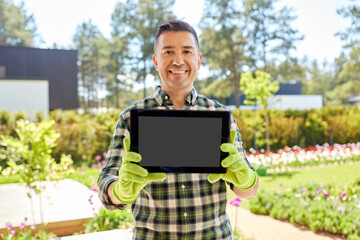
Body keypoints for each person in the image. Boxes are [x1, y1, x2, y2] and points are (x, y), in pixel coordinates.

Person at [98, 19, 259, 239]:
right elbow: (106, 183)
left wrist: (245, 179)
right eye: (168, 52)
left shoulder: (220, 115)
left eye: (186, 51)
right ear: (156, 61)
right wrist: (119, 190)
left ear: (199, 60)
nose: (178, 60)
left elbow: (249, 191)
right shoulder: (130, 118)